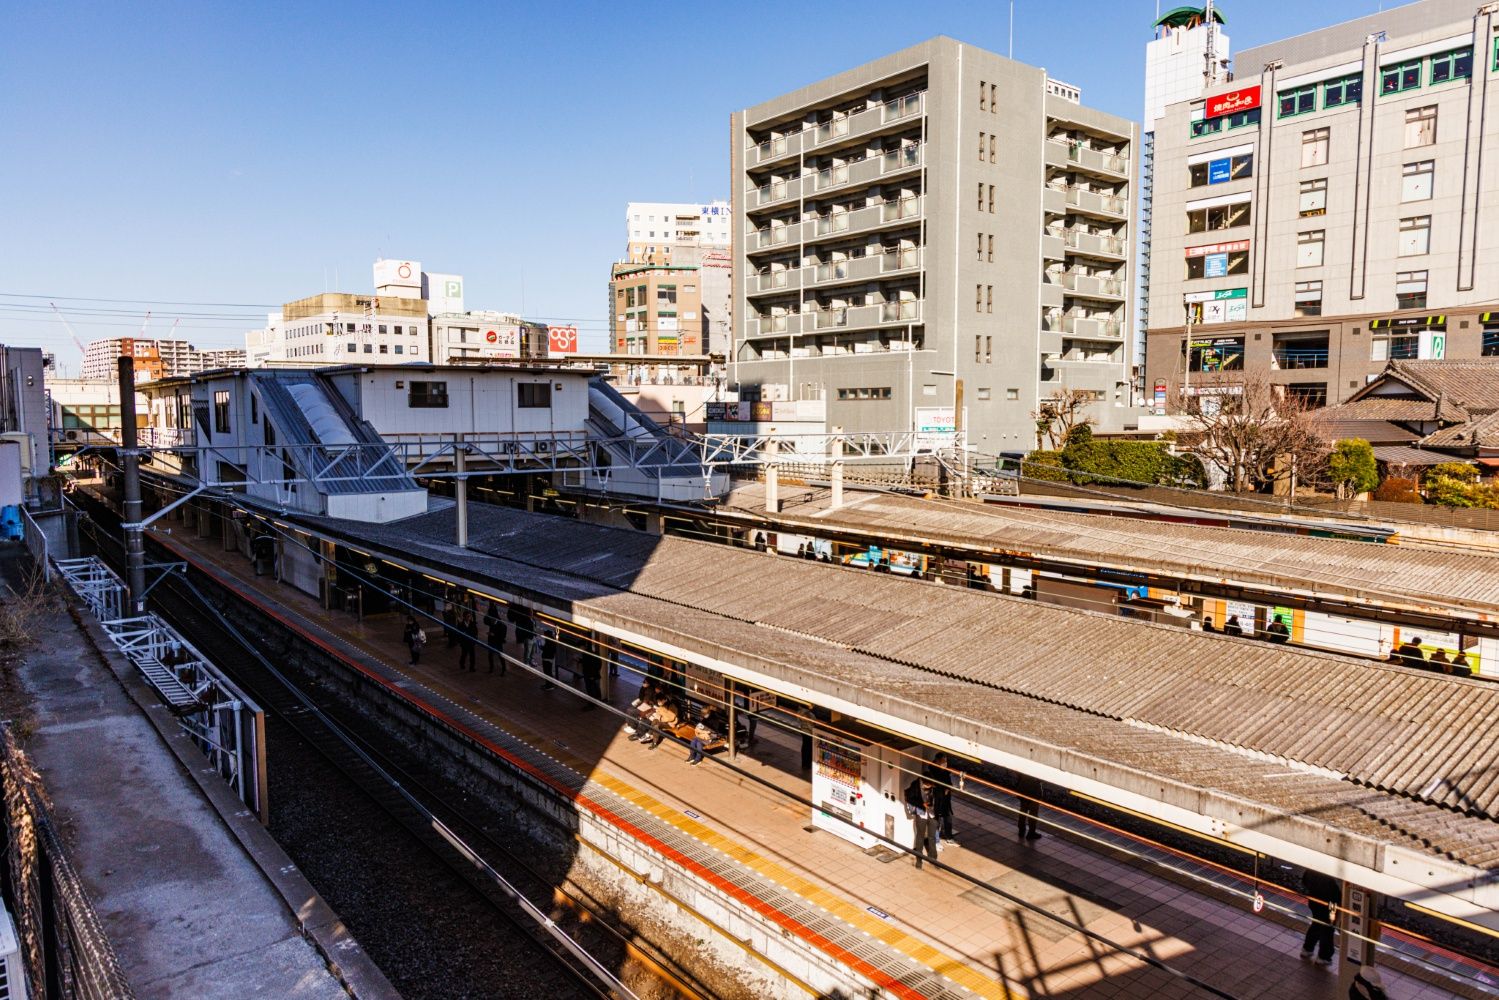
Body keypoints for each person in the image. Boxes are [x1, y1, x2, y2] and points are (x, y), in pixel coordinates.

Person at [1299, 868, 1341, 966]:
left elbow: (1304, 881)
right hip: (1330, 905)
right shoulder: (1331, 877)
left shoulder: (1313, 868)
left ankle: (1307, 948)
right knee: (1328, 929)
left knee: (1317, 924)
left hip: (1314, 901)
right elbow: (1336, 892)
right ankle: (1323, 956)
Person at [924, 752, 962, 846]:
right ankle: (936, 841)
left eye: (946, 761)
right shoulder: (933, 770)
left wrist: (948, 788)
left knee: (947, 817)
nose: (945, 763)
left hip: (945, 798)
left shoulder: (944, 769)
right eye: (943, 761)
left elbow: (948, 778)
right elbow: (936, 783)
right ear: (937, 761)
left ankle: (949, 837)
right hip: (937, 798)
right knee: (936, 819)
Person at [904, 776, 939, 869]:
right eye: (929, 785)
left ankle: (933, 859)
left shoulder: (934, 788)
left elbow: (939, 799)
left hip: (932, 814)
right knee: (920, 837)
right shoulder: (915, 786)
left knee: (932, 837)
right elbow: (910, 798)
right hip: (921, 813)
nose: (930, 787)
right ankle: (919, 861)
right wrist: (921, 804)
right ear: (924, 783)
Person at [1014, 771, 1043, 841]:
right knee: (1033, 814)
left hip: (1023, 788)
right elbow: (1042, 778)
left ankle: (1021, 830)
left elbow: (1017, 772)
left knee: (1023, 811)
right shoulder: (1038, 767)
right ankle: (1031, 833)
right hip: (1033, 792)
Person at [484, 603, 507, 675]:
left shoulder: (501, 625)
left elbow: (502, 635)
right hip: (491, 641)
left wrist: (494, 635)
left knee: (500, 656)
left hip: (497, 642)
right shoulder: (492, 622)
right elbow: (485, 620)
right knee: (490, 655)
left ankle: (503, 669)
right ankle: (491, 668)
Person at [539, 625, 559, 690]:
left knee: (547, 672)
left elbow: (547, 649)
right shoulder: (552, 640)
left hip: (547, 658)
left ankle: (549, 685)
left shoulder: (549, 641)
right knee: (548, 672)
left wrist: (541, 647)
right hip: (549, 658)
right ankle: (548, 684)